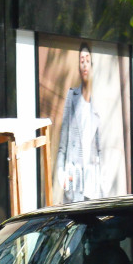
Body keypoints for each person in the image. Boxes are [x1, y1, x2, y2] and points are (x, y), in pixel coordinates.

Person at [55, 42, 102, 203]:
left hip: (91, 180)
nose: (84, 64)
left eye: (87, 60)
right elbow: (63, 142)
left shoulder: (97, 103)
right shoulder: (72, 96)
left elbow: (99, 148)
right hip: (74, 177)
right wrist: (61, 172)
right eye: (81, 60)